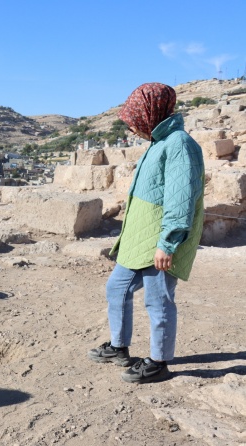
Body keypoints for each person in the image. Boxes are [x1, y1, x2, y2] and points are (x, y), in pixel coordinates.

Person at [88, 83, 204, 384]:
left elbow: (181, 200)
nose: (131, 126)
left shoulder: (178, 143)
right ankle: (118, 347)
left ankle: (158, 362)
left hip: (160, 242)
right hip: (139, 240)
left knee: (158, 300)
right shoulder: (159, 140)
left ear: (150, 113)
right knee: (117, 289)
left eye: (134, 119)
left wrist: (167, 243)